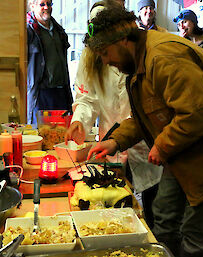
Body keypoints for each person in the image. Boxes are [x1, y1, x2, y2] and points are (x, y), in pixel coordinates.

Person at [83, 1, 203, 256]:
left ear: (122, 41)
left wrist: (163, 145)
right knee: (163, 221)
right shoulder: (141, 58)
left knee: (195, 233)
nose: (107, 62)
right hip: (187, 147)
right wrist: (115, 141)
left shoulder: (163, 56)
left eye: (105, 54)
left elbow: (197, 114)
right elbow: (150, 115)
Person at [65, 1, 162, 229]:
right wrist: (80, 120)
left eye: (106, 50)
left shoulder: (143, 53)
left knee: (154, 209)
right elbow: (87, 98)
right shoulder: (90, 59)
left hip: (146, 146)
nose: (105, 58)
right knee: (112, 205)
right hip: (111, 144)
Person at [27, 0, 73, 125]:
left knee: (62, 135)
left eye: (49, 3)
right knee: (42, 135)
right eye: (42, 4)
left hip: (61, 93)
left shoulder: (58, 30)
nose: (46, 7)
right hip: (41, 94)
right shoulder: (28, 31)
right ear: (32, 5)